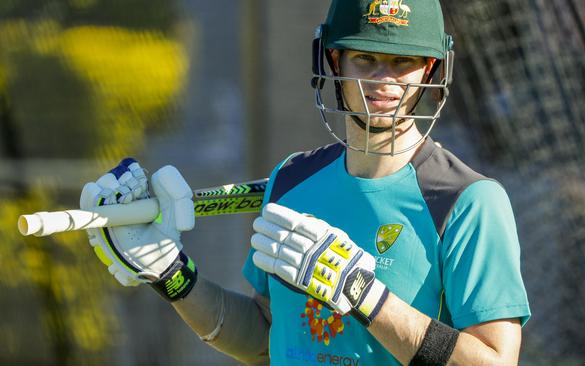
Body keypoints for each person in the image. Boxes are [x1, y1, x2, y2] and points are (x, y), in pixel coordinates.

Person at [79, 1, 530, 365]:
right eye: (365, 58)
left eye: (402, 62)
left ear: (430, 69)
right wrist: (171, 275)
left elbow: (494, 362)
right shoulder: (292, 180)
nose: (383, 80)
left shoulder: (468, 202)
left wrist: (365, 296)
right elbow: (265, 338)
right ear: (334, 60)